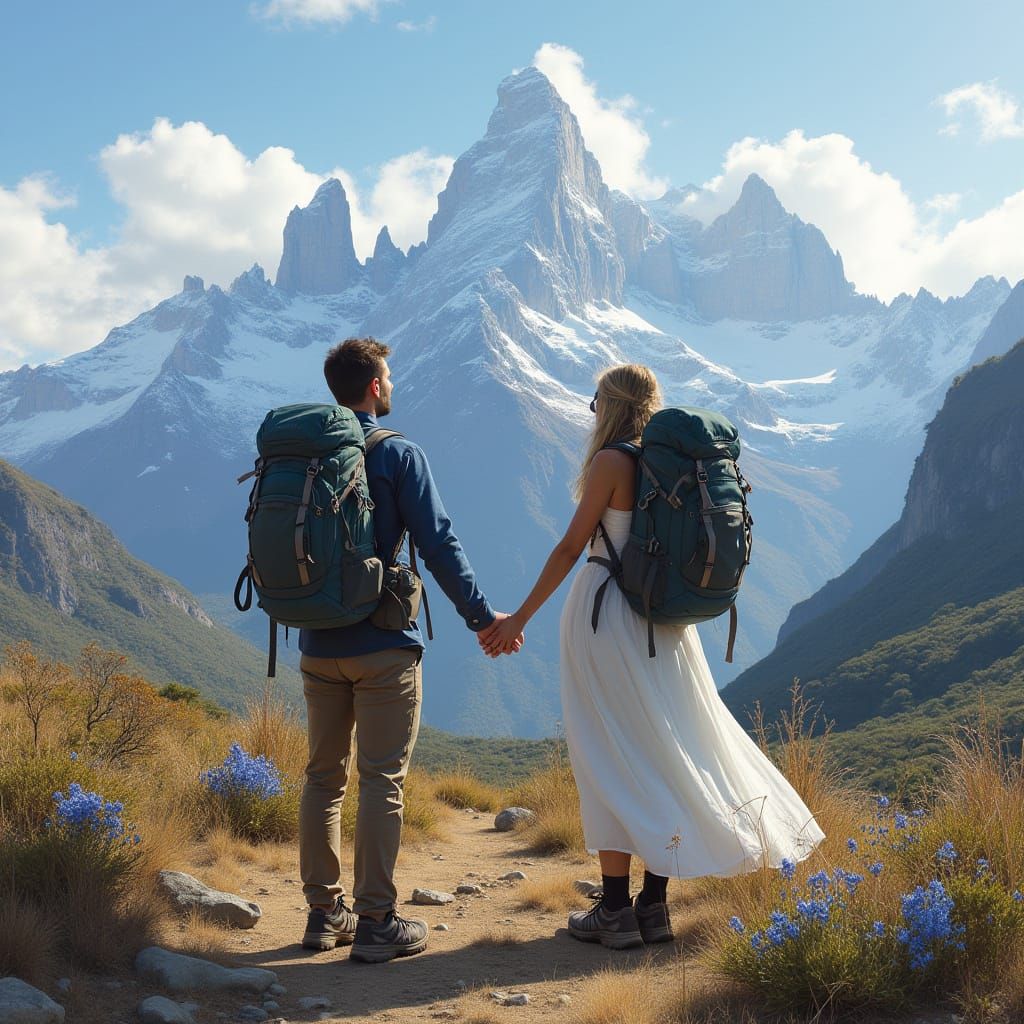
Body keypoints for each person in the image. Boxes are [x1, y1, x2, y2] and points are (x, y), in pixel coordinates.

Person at [479, 363, 824, 949]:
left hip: (606, 613)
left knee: (606, 752)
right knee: (664, 750)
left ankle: (613, 909)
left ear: (609, 406)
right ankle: (653, 907)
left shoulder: (612, 462)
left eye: (593, 403)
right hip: (666, 621)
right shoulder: (676, 466)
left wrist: (519, 617)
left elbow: (570, 547)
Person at [298, 337, 522, 964]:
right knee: (380, 781)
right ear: (373, 387)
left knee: (322, 778)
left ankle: (322, 915)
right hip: (382, 648)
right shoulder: (397, 453)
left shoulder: (307, 454)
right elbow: (440, 544)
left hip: (315, 642)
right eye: (388, 376)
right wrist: (484, 617)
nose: (392, 384)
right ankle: (375, 922)